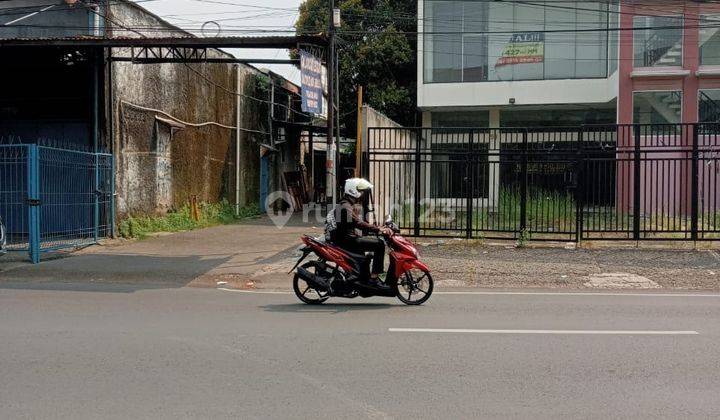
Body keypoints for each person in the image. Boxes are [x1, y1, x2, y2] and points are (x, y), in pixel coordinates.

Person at [332, 178, 392, 287]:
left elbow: (358, 223)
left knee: (368, 251)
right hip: (348, 240)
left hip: (348, 238)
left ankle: (365, 278)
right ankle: (374, 279)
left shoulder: (347, 204)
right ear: (353, 191)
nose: (362, 193)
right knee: (379, 244)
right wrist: (378, 229)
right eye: (360, 191)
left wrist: (376, 228)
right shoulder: (345, 206)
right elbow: (358, 223)